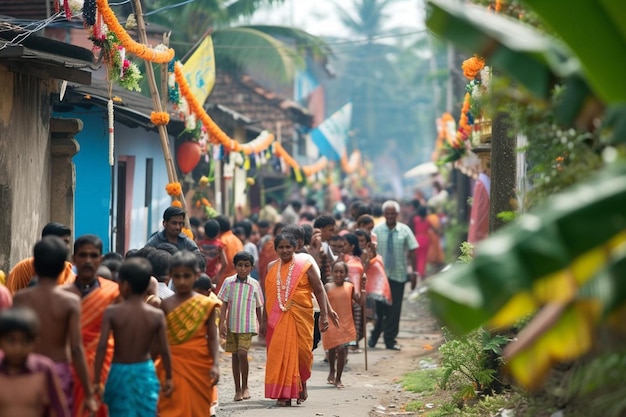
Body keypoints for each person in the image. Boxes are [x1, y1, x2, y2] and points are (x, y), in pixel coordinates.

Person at [13, 236, 96, 415]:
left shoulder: (20, 298)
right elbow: (76, 348)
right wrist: (89, 393)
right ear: (63, 266)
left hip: (27, 370)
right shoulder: (70, 302)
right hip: (59, 372)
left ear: (34, 266)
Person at [264, 234, 339, 407]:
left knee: (302, 354)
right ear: (275, 249)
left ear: (295, 247)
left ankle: (302, 384)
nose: (284, 250)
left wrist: (325, 315)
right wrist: (263, 320)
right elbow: (269, 295)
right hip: (277, 319)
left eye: (288, 247)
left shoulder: (305, 266)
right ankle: (283, 394)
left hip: (302, 316)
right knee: (279, 354)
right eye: (281, 247)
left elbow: (319, 290)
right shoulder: (271, 267)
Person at [95, 257, 173, 416]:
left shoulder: (112, 312)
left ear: (124, 285)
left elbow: (102, 346)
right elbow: (164, 350)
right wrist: (169, 378)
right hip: (145, 370)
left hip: (118, 371)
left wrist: (96, 379)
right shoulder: (156, 315)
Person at [156, 251, 220, 417]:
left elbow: (212, 337)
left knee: (197, 409)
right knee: (171, 408)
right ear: (170, 276)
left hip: (199, 365)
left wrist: (215, 364)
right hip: (171, 365)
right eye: (177, 276)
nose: (182, 281)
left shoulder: (207, 304)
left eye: (187, 276)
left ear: (196, 275)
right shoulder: (165, 305)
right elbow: (159, 340)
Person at [63, 234, 120, 417]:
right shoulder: (62, 294)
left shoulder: (114, 292)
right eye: (83, 255)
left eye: (93, 256)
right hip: (70, 368)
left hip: (105, 367)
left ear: (101, 259)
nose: (88, 260)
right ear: (74, 259)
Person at [0, 306, 70, 417]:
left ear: (36, 342)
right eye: (10, 340)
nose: (18, 348)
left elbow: (58, 408)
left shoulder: (44, 368)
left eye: (25, 341)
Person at [370, 201, 418, 351]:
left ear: (397, 214)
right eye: (388, 213)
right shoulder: (376, 230)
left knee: (395, 309)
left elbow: (412, 251)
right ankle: (375, 333)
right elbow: (370, 251)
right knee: (380, 309)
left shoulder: (405, 230)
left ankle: (390, 339)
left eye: (393, 213)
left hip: (398, 275)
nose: (390, 216)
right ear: (384, 214)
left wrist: (414, 272)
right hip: (380, 276)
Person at [217, 251, 264, 402]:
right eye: (240, 265)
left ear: (251, 267)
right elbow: (223, 302)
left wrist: (261, 323)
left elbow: (258, 306)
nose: (243, 268)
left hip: (248, 324)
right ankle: (237, 389)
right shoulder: (228, 282)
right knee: (235, 355)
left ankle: (245, 387)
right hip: (232, 324)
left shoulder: (254, 284)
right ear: (235, 266)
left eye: (246, 265)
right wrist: (222, 322)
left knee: (243, 354)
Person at [322, 261, 364, 389]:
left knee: (341, 349)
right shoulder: (327, 287)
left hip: (345, 323)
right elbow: (322, 302)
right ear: (332, 272)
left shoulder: (349, 287)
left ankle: (338, 378)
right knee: (332, 349)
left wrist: (363, 286)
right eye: (336, 271)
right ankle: (331, 371)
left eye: (341, 272)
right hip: (331, 322)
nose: (338, 274)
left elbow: (360, 301)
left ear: (346, 274)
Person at [7, 222, 75, 294]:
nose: (67, 247)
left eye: (67, 242)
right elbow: (10, 298)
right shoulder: (23, 268)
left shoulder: (67, 270)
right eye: (63, 242)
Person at [193, 274, 221, 417]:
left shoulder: (210, 307)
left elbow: (213, 337)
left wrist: (215, 363)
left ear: (208, 292)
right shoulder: (187, 308)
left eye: (199, 292)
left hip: (204, 356)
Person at [214, 215, 244, 292]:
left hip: (223, 282)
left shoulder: (221, 241)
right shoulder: (237, 240)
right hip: (238, 281)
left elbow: (220, 264)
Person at [197, 219, 227, 285]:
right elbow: (225, 263)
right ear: (218, 232)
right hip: (214, 276)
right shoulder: (219, 245)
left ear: (205, 231)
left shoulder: (200, 245)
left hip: (201, 275)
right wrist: (218, 275)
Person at [412, 205, 432, 278]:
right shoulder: (428, 221)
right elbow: (433, 229)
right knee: (423, 257)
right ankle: (422, 272)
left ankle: (417, 271)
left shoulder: (416, 219)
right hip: (425, 240)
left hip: (417, 239)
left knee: (417, 256)